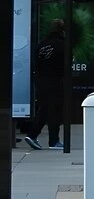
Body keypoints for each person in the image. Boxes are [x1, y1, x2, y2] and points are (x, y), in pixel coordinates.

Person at [25, 19, 66, 150]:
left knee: (45, 108)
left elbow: (36, 63)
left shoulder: (41, 44)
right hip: (55, 81)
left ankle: (33, 135)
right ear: (62, 30)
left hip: (40, 80)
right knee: (54, 110)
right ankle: (53, 141)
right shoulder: (62, 45)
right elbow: (65, 65)